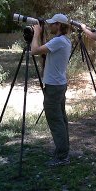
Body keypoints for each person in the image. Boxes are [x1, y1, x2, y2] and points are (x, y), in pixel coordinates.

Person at [31, 13, 72, 166]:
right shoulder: (64, 41)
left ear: (59, 25)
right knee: (61, 118)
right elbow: (44, 53)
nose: (50, 26)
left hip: (54, 86)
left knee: (55, 120)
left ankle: (62, 156)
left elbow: (34, 51)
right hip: (59, 84)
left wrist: (36, 33)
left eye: (52, 24)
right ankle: (63, 150)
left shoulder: (58, 41)